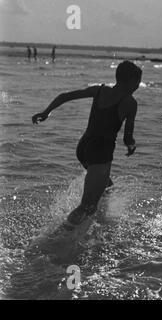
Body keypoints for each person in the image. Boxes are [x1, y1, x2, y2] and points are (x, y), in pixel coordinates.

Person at [32, 60, 142, 229]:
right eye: (138, 82)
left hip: (84, 148)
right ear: (132, 81)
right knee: (87, 206)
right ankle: (59, 236)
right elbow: (128, 137)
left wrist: (46, 112)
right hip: (101, 152)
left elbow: (64, 96)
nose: (138, 86)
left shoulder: (98, 90)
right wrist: (131, 146)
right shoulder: (130, 103)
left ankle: (96, 225)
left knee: (108, 187)